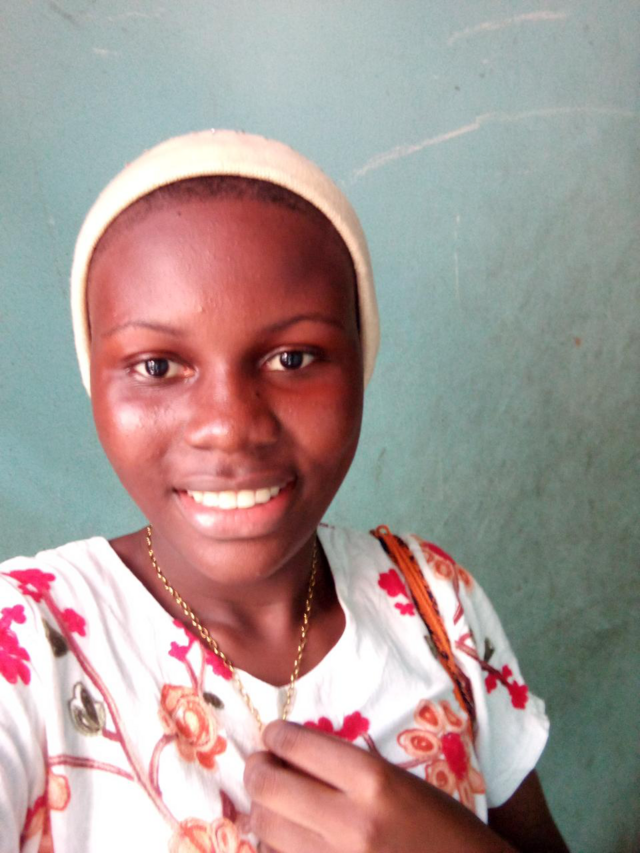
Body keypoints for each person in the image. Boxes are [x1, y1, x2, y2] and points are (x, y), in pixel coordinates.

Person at [0, 130, 569, 852]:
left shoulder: (435, 603)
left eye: (293, 358)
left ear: (361, 366)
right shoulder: (24, 647)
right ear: (95, 382)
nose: (230, 428)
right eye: (157, 366)